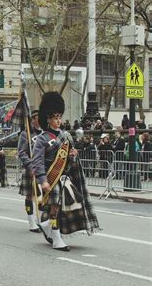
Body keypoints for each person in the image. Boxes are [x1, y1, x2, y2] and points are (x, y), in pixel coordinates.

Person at [32, 92, 100, 251]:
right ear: (48, 119)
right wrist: (43, 181)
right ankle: (56, 238)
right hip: (51, 177)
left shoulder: (65, 135)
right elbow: (37, 162)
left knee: (71, 204)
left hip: (64, 177)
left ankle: (47, 224)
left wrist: (73, 156)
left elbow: (69, 160)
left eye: (60, 117)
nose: (58, 121)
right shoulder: (41, 139)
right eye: (55, 118)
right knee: (55, 207)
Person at [17, 110, 42, 232]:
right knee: (30, 196)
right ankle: (32, 222)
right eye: (37, 118)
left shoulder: (45, 133)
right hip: (31, 168)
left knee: (44, 195)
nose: (39, 120)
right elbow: (21, 152)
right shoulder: (25, 134)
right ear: (32, 120)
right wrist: (30, 166)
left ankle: (42, 220)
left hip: (44, 168)